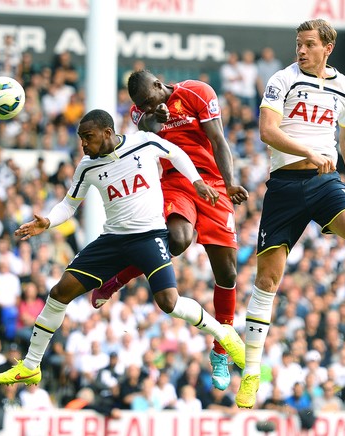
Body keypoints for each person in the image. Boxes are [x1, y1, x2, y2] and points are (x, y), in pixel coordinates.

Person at [0, 110, 244, 386]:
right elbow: (68, 205)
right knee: (59, 291)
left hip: (149, 237)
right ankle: (30, 366)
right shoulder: (87, 166)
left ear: (107, 133)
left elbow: (176, 154)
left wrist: (196, 181)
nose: (84, 144)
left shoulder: (143, 143)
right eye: (81, 139)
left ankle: (223, 334)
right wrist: (48, 221)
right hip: (112, 240)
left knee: (169, 303)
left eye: (88, 137)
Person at [234, 19, 345, 409]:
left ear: (327, 47)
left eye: (309, 44)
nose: (301, 50)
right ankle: (250, 372)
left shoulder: (344, 86)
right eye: (298, 43)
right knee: (267, 279)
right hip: (283, 186)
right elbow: (266, 129)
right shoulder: (282, 80)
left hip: (325, 181)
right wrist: (308, 152)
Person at [90, 69, 249, 391]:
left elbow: (218, 139)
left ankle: (220, 352)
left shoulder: (198, 93)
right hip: (175, 183)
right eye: (142, 105)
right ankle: (118, 279)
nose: (146, 108)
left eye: (150, 101)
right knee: (176, 241)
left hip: (214, 184)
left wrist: (230, 184)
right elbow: (147, 131)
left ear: (160, 85)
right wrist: (155, 119)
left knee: (228, 275)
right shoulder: (143, 111)